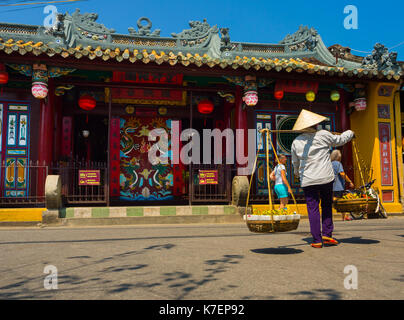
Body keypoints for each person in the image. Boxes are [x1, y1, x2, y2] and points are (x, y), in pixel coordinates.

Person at [291, 109, 354, 248]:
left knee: (312, 208)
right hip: (325, 178)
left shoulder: (296, 141)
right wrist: (350, 133)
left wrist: (297, 174)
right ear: (315, 124)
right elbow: (341, 140)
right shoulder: (324, 135)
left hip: (308, 179)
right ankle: (327, 234)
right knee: (326, 205)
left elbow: (295, 163)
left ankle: (317, 239)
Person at [330, 149, 355, 221]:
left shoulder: (330, 163)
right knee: (341, 201)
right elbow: (342, 174)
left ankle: (344, 216)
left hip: (331, 185)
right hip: (338, 186)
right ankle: (345, 216)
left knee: (339, 201)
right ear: (338, 157)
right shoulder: (338, 164)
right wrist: (349, 181)